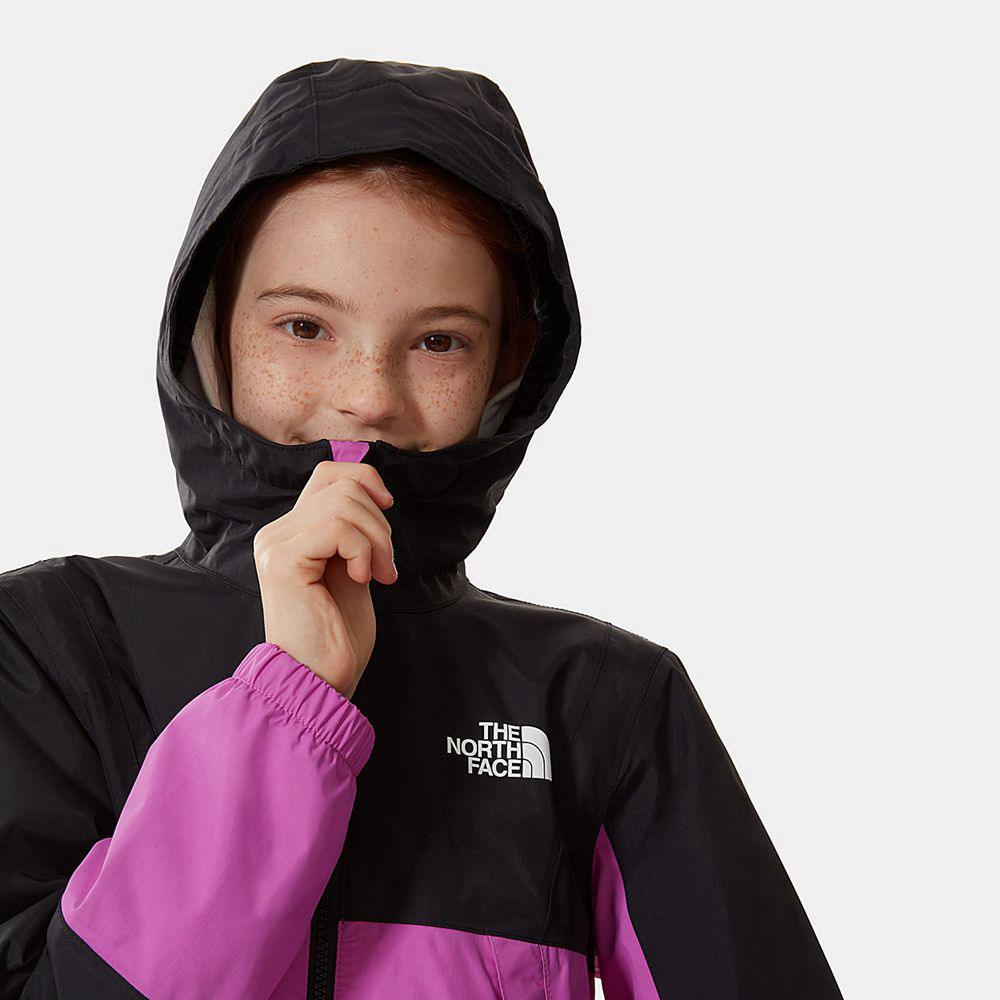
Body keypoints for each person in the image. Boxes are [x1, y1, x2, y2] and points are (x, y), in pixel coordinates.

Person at [0, 58, 844, 1000]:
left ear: (510, 366)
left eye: (439, 340)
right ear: (212, 330)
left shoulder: (605, 699)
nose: (367, 396)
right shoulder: (49, 647)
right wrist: (289, 705)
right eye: (303, 326)